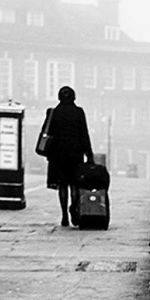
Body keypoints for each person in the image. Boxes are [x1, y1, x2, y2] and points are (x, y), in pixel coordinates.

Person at [44, 85, 94, 227]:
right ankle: (74, 208)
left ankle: (64, 215)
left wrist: (49, 153)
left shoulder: (54, 112)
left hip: (57, 154)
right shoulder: (78, 112)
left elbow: (47, 134)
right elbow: (84, 133)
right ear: (74, 97)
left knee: (62, 185)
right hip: (75, 153)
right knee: (74, 184)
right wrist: (88, 153)